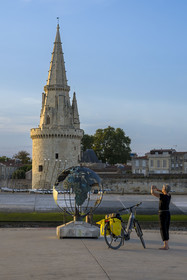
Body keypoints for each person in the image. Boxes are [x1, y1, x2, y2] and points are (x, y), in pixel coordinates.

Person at [151, 184, 171, 250]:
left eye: (162, 188)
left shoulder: (162, 196)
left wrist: (152, 188)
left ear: (164, 189)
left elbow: (153, 193)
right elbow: (164, 192)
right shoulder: (169, 195)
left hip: (162, 214)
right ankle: (167, 244)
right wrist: (158, 189)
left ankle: (166, 246)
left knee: (163, 229)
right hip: (167, 213)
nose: (162, 189)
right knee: (166, 228)